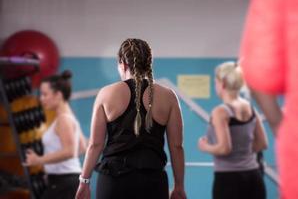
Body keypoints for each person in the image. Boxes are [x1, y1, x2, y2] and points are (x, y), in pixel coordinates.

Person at [75, 38, 186, 199]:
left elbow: (95, 144)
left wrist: (84, 182)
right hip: (152, 181)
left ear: (122, 63)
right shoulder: (168, 96)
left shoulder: (106, 94)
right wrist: (179, 186)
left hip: (113, 181)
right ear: (149, 62)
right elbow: (177, 147)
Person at [239, 0, 298, 198]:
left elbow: (259, 78)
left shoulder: (222, 114)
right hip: (253, 173)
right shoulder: (248, 112)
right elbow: (261, 144)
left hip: (233, 178)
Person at [198, 61, 268, 199]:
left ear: (222, 84)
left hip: (229, 181)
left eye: (215, 82)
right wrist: (242, 151)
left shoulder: (221, 112)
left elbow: (225, 148)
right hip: (254, 178)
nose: (215, 86)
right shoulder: (250, 108)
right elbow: (262, 143)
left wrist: (205, 146)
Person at [24, 70, 87, 199]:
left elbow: (71, 151)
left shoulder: (64, 119)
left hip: (64, 182)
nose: (41, 99)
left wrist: (39, 160)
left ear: (58, 95)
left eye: (44, 94)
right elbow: (82, 147)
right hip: (67, 181)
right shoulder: (68, 116)